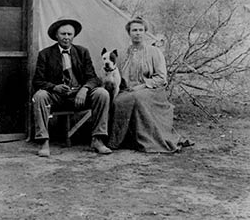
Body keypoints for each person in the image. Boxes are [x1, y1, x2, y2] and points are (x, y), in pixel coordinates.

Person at [32, 17, 112, 157]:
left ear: (74, 35)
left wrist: (85, 89)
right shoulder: (45, 54)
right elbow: (37, 81)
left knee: (102, 93)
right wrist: (54, 87)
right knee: (40, 96)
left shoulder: (82, 52)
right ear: (56, 35)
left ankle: (98, 139)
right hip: (57, 97)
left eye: (69, 34)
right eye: (63, 34)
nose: (66, 37)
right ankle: (44, 141)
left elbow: (93, 78)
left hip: (79, 96)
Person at [107, 16, 180, 153]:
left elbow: (161, 78)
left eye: (141, 30)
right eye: (134, 30)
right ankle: (121, 140)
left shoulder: (154, 52)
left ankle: (145, 139)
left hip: (151, 90)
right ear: (129, 33)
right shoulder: (123, 53)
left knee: (137, 97)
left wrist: (142, 86)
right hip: (128, 90)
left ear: (145, 32)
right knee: (118, 101)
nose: (138, 33)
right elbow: (115, 73)